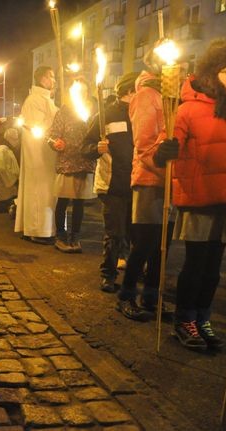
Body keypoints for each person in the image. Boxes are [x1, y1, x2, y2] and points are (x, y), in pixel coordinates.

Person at [154, 40, 226, 350]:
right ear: (212, 74)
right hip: (198, 199)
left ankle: (203, 317)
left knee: (214, 270)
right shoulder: (187, 110)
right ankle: (184, 319)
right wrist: (165, 152)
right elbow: (158, 153)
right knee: (196, 265)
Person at [116, 47, 174, 321]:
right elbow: (143, 145)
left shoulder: (172, 97)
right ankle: (126, 296)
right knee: (145, 245)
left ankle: (151, 299)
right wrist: (162, 160)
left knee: (163, 247)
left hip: (172, 182)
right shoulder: (145, 96)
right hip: (150, 179)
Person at [83, 72, 139, 292]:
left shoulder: (144, 114)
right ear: (129, 91)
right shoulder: (106, 115)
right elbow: (85, 147)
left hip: (138, 182)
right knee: (114, 233)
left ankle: (135, 271)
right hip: (112, 184)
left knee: (136, 233)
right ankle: (108, 274)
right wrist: (95, 149)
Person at [48, 80, 96, 253]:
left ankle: (75, 236)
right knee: (62, 200)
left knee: (79, 203)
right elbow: (51, 136)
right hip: (67, 163)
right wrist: (56, 143)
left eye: (83, 90)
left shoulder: (93, 111)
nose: (80, 93)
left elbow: (97, 134)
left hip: (85, 161)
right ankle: (60, 235)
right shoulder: (64, 111)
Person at [14, 66, 59, 244]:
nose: (54, 80)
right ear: (42, 79)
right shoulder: (34, 100)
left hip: (46, 153)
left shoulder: (46, 99)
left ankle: (41, 228)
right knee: (39, 191)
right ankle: (37, 230)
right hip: (38, 153)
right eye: (51, 77)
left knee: (46, 191)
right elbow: (37, 125)